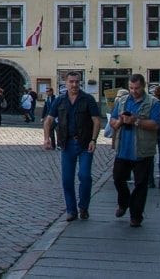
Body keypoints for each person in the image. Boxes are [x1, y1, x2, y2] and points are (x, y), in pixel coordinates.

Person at [43, 71, 101, 222]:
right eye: (71, 82)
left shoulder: (88, 99)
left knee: (85, 176)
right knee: (67, 180)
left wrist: (94, 140)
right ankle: (71, 210)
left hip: (84, 143)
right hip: (67, 144)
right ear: (66, 83)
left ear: (80, 82)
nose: (74, 84)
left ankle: (83, 206)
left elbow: (96, 121)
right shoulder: (60, 101)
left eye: (76, 82)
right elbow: (48, 120)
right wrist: (46, 139)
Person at [109, 73, 160, 227]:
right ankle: (124, 202)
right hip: (123, 149)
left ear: (143, 86)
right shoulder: (122, 100)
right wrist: (119, 121)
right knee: (118, 178)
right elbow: (112, 120)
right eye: (131, 88)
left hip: (143, 150)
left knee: (140, 185)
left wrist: (136, 121)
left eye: (137, 88)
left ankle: (136, 216)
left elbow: (155, 124)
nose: (133, 91)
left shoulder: (153, 103)